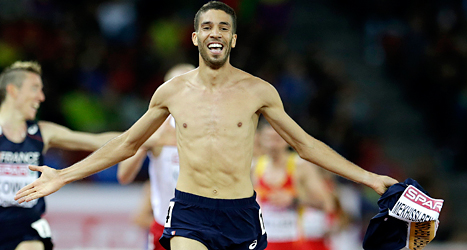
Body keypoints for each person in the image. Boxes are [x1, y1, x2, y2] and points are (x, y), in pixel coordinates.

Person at [15, 2, 398, 250]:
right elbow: (127, 144)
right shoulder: (172, 92)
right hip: (190, 210)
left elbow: (307, 145)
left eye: (223, 27)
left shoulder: (258, 91)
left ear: (233, 38)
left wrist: (368, 177)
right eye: (208, 26)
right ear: (196, 36)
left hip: (240, 212)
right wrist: (63, 175)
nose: (215, 32)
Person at [0, 61, 120, 250]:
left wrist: (146, 136)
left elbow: (96, 140)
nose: (41, 97)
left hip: (27, 227)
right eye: (35, 89)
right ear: (13, 90)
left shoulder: (43, 132)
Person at [117, 64, 195, 250]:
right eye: (177, 84)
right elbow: (124, 176)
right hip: (165, 229)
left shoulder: (215, 126)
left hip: (204, 227)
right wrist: (146, 141)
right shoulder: (156, 127)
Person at [252, 122, 335, 250]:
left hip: (294, 243)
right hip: (266, 243)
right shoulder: (254, 167)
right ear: (260, 139)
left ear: (286, 139)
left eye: (277, 139)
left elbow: (328, 205)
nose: (273, 145)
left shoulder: (301, 166)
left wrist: (294, 200)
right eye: (269, 139)